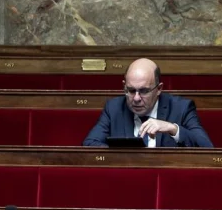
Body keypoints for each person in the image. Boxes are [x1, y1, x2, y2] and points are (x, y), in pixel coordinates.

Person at [82, 58, 213, 148]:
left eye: (144, 91)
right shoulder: (114, 108)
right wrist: (121, 154)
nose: (136, 98)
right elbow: (89, 143)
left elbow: (207, 148)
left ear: (159, 89)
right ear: (124, 86)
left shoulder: (181, 108)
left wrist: (173, 129)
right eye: (131, 90)